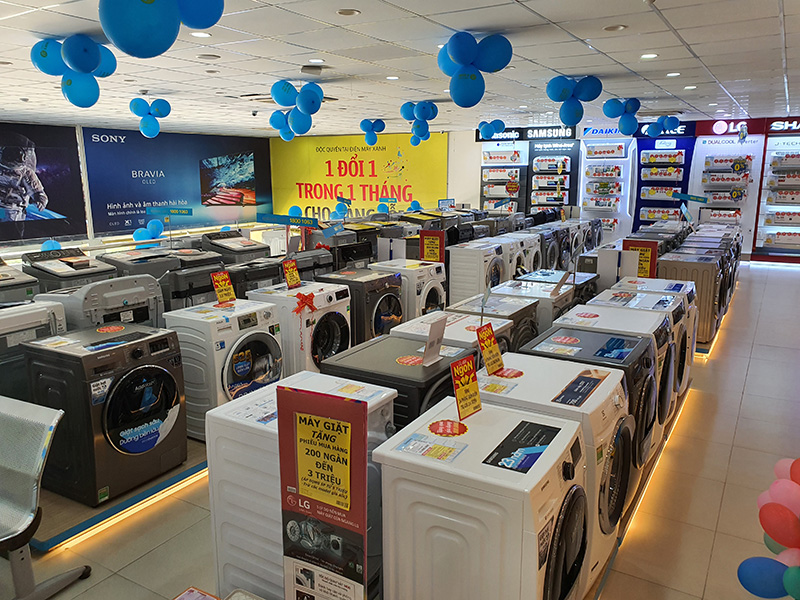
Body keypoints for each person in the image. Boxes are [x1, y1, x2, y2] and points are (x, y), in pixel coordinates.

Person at [0, 134, 48, 235]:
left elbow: (37, 190)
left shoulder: (26, 173)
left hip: (15, 212)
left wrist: (40, 199)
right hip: (4, 210)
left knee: (12, 237)